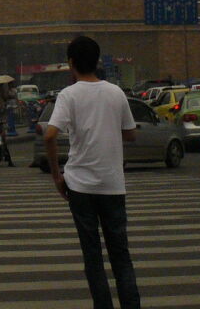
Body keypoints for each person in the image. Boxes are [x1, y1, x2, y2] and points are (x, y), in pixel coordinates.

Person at [45, 35, 141, 309]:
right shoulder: (116, 93)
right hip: (112, 185)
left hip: (80, 187)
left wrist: (56, 176)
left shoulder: (69, 95)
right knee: (121, 256)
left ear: (71, 63)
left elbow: (50, 135)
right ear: (97, 61)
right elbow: (131, 134)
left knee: (93, 257)